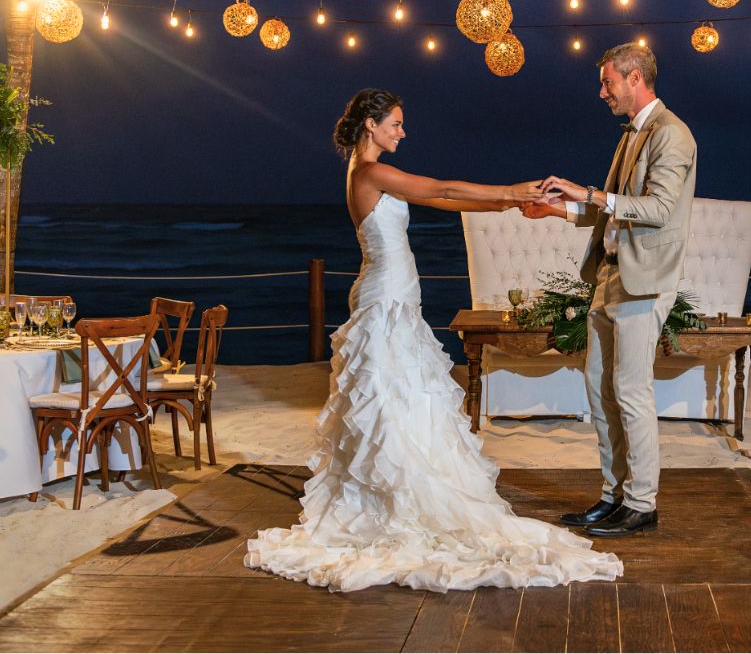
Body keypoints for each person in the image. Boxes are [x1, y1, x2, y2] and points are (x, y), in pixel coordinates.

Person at [246, 88, 622, 592]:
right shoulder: (369, 172)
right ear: (371, 126)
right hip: (385, 299)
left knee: (403, 395)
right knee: (386, 396)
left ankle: (393, 487)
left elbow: (444, 200)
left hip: (395, 292)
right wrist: (512, 190)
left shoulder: (372, 174)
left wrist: (512, 205)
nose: (403, 132)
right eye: (396, 124)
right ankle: (390, 496)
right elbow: (440, 186)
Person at [524, 43, 697, 537]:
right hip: (610, 276)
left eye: (608, 83)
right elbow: (610, 211)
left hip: (645, 281)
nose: (603, 93)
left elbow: (659, 210)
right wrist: (556, 209)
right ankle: (613, 495)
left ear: (634, 76)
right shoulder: (631, 137)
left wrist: (589, 192)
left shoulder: (673, 135)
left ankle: (642, 503)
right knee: (600, 389)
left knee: (630, 390)